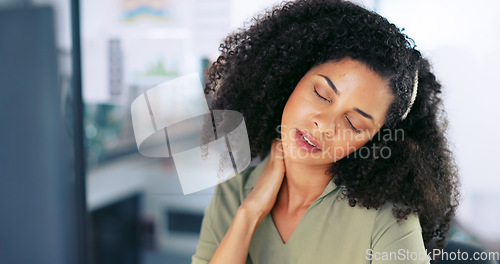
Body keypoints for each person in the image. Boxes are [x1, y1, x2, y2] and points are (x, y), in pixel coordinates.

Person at [193, 0, 460, 263]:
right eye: (321, 94)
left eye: (354, 123)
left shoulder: (388, 221)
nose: (324, 124)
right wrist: (249, 214)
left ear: (375, 139)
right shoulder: (235, 190)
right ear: (294, 76)